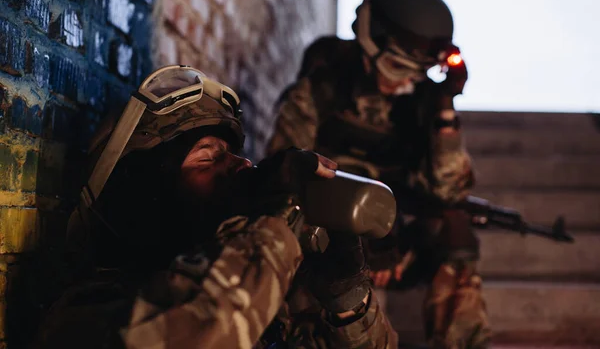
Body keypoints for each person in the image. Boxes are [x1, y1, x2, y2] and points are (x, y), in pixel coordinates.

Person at [32, 65, 398, 349]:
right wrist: (276, 216)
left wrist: (347, 299)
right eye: (208, 157)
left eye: (236, 154)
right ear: (146, 195)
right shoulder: (89, 314)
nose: (242, 165)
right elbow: (204, 328)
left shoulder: (269, 300)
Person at [267, 0, 491, 349]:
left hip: (397, 242)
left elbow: (450, 190)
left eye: (417, 73)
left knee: (455, 229)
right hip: (326, 231)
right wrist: (358, 230)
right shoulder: (322, 87)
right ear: (370, 43)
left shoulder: (420, 103)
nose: (405, 81)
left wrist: (444, 108)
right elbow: (285, 173)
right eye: (396, 66)